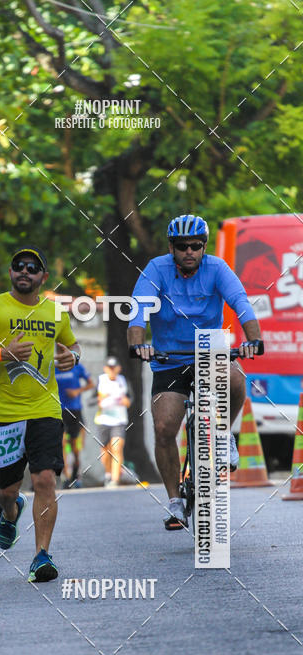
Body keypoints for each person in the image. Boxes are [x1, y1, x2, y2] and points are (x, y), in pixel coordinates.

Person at [128, 214, 263, 529]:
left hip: (209, 350)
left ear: (204, 247)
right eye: (182, 246)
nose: (189, 251)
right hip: (169, 357)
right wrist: (138, 345)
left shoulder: (217, 268)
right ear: (171, 248)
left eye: (196, 246)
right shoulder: (156, 269)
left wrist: (254, 339)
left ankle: (224, 434)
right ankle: (175, 502)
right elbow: (138, 311)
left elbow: (241, 304)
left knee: (235, 377)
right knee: (163, 429)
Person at [0, 246, 80, 582]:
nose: (24, 271)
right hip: (4, 411)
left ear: (43, 277)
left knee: (44, 479)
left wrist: (74, 357)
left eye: (32, 267)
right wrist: (1, 353)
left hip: (45, 409)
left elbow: (73, 344)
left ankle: (41, 555)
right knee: (6, 489)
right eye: (18, 266)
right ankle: (11, 513)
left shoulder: (55, 312)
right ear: (11, 273)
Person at [55, 359, 93, 488]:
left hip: (74, 410)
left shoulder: (77, 367)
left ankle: (76, 474)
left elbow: (91, 384)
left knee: (74, 446)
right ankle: (66, 476)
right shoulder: (53, 367)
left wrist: (77, 391)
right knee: (62, 443)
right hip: (58, 410)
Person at [94, 356, 132, 486]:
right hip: (103, 420)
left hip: (119, 420)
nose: (112, 370)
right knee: (105, 453)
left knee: (117, 447)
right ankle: (108, 474)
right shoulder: (100, 380)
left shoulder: (123, 381)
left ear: (118, 368)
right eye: (109, 368)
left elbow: (130, 399)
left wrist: (127, 401)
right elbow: (91, 400)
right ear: (105, 369)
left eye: (114, 368)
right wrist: (100, 398)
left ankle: (115, 480)